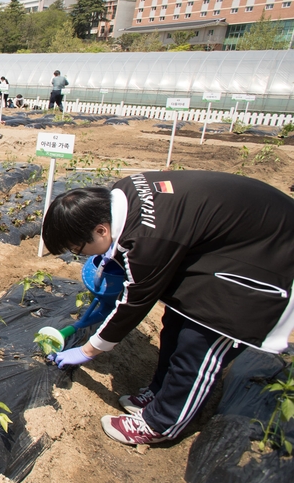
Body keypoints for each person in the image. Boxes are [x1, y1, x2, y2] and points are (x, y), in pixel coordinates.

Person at [41, 172, 294, 446]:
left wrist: (88, 350)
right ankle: (160, 392)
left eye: (79, 248)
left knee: (201, 339)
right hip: (230, 242)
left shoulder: (149, 238)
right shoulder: (123, 193)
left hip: (270, 255)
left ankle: (161, 423)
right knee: (176, 318)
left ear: (102, 230)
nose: (84, 256)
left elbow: (136, 302)